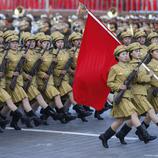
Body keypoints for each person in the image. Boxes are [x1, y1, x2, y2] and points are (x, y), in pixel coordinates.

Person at [99, 45, 152, 148]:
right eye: (123, 54)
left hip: (129, 95)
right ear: (118, 56)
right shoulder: (114, 68)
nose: (125, 55)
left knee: (120, 120)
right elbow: (109, 83)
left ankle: (105, 136)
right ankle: (145, 135)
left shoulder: (130, 66)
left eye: (126, 53)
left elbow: (135, 79)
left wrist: (137, 74)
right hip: (121, 96)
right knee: (133, 114)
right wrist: (120, 86)